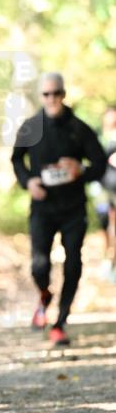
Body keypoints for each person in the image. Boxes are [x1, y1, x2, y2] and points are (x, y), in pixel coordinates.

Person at [11, 72, 107, 346]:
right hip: (42, 207)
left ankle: (60, 322)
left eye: (56, 94)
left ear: (64, 95)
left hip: (73, 208)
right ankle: (44, 296)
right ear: (40, 97)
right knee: (39, 265)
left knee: (73, 263)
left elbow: (99, 164)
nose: (52, 99)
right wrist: (29, 182)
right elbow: (17, 159)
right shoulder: (30, 127)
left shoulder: (79, 128)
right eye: (46, 94)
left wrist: (81, 170)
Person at [93, 105, 116, 281]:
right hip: (100, 189)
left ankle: (112, 262)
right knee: (104, 226)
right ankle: (106, 260)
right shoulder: (98, 137)